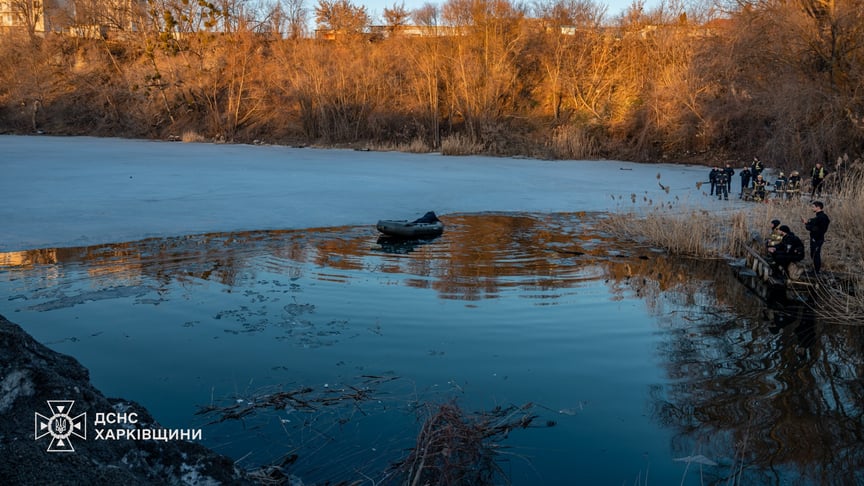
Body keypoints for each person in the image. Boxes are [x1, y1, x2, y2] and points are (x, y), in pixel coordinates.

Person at [802, 200, 830, 274]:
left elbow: (817, 228)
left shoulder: (822, 217)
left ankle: (816, 271)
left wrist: (807, 225)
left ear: (818, 207)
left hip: (817, 238)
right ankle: (815, 269)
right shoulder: (819, 217)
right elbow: (813, 223)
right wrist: (808, 223)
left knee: (815, 254)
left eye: (813, 207)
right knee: (813, 254)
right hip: (816, 238)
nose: (812, 208)